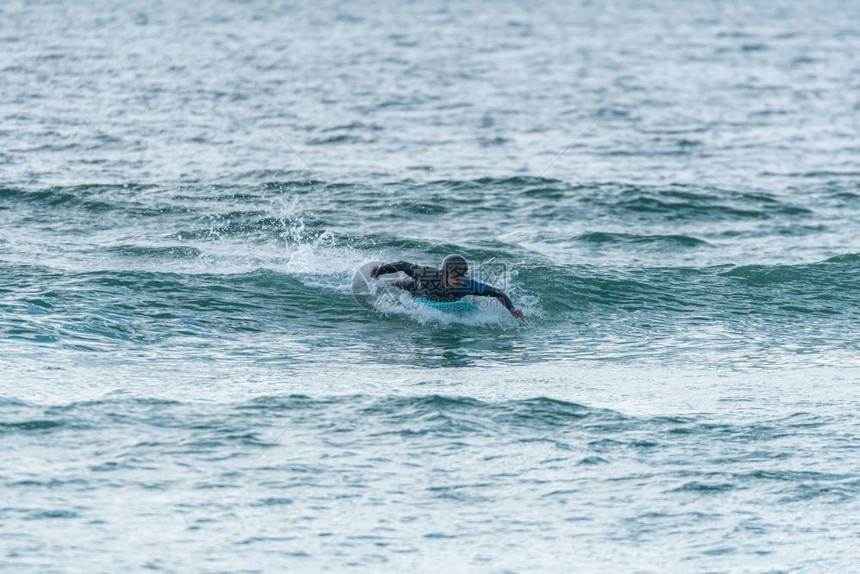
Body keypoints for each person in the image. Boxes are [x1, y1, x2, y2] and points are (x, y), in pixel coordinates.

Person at [370, 254, 525, 319]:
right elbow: (403, 265)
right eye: (454, 276)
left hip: (434, 299)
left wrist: (512, 310)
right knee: (393, 285)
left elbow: (496, 292)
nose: (458, 280)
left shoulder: (468, 286)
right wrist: (378, 272)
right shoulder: (427, 274)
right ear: (443, 273)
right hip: (410, 288)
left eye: (461, 276)